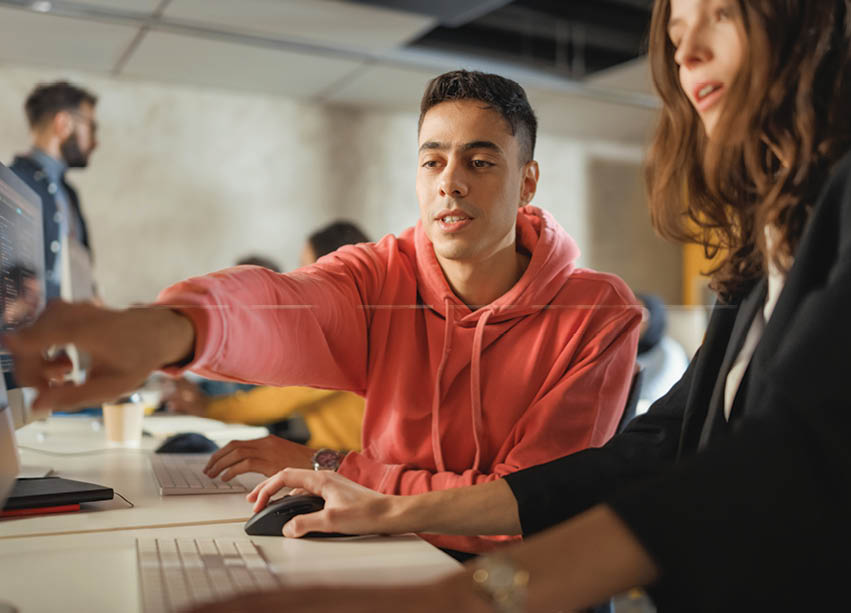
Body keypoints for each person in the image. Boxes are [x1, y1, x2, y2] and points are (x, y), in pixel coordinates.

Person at [165, 0, 849, 610]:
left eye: (721, 15)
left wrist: (461, 588)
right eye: (674, 30)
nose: (684, 52)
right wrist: (385, 506)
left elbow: (781, 457)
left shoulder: (603, 308)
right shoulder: (762, 255)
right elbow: (641, 457)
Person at [3, 70, 641, 556]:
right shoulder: (382, 272)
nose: (451, 182)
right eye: (432, 161)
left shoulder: (598, 313)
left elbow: (521, 506)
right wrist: (167, 328)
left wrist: (336, 470)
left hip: (523, 582)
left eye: (480, 162)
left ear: (528, 181)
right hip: (397, 552)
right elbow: (287, 306)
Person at [167, 223, 370, 451]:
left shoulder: (349, 332)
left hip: (345, 460)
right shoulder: (352, 324)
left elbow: (280, 399)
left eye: (307, 266)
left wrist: (208, 408)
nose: (298, 275)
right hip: (328, 453)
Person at [9, 81, 98, 300]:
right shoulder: (11, 184)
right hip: (28, 332)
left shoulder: (70, 194)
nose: (96, 142)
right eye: (91, 127)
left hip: (70, 328)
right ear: (63, 124)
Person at [635, 293, 689, 409]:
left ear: (654, 317)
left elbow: (652, 397)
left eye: (641, 314)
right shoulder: (622, 351)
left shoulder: (670, 353)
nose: (633, 320)